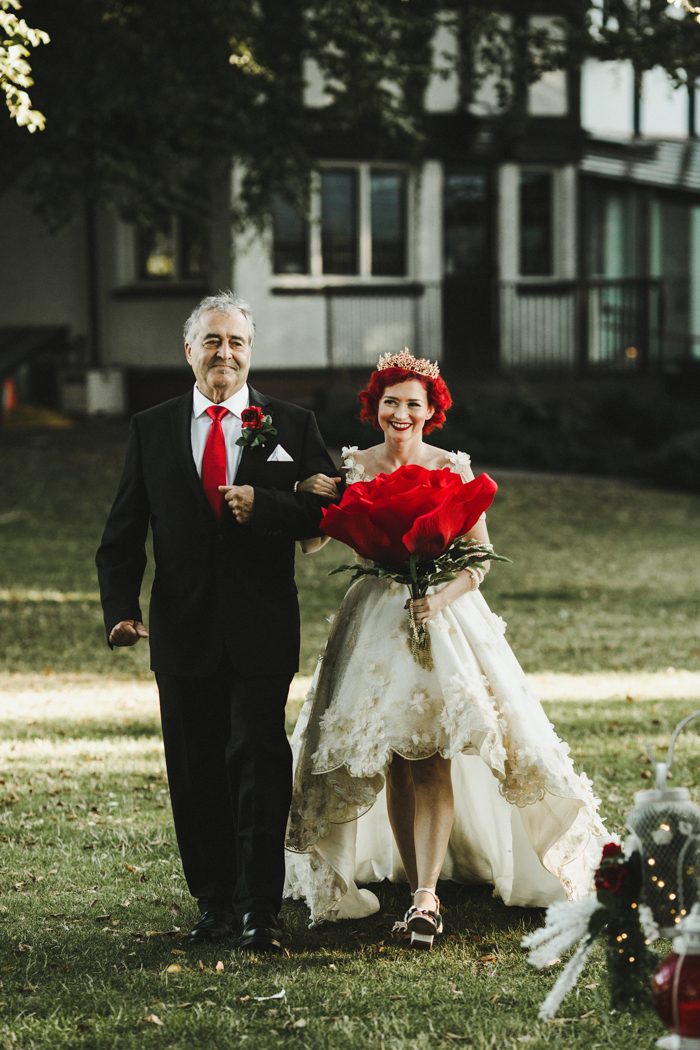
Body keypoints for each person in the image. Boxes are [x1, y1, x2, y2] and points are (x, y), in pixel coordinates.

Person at [285, 350, 605, 948]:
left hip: (444, 621)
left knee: (432, 753)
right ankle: (415, 887)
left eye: (413, 403)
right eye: (390, 401)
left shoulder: (452, 467)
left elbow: (480, 558)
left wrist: (440, 597)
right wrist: (309, 492)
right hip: (375, 621)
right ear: (374, 407)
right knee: (398, 763)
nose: (400, 413)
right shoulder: (352, 467)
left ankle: (427, 898)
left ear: (431, 412)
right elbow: (311, 544)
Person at [96, 291, 338, 953]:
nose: (224, 353)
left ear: (250, 352)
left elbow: (326, 513)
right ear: (189, 352)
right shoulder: (152, 428)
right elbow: (122, 535)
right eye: (212, 341)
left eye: (235, 342)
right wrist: (119, 609)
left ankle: (262, 909)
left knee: (259, 762)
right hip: (180, 630)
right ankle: (214, 906)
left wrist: (266, 504)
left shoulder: (290, 423)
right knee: (195, 766)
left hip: (261, 626)